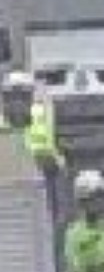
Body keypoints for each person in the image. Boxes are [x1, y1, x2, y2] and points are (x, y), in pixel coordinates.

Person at [3, 72, 62, 223]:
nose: (18, 103)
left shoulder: (42, 125)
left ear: (31, 99)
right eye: (12, 97)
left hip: (36, 201)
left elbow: (54, 167)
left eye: (23, 97)